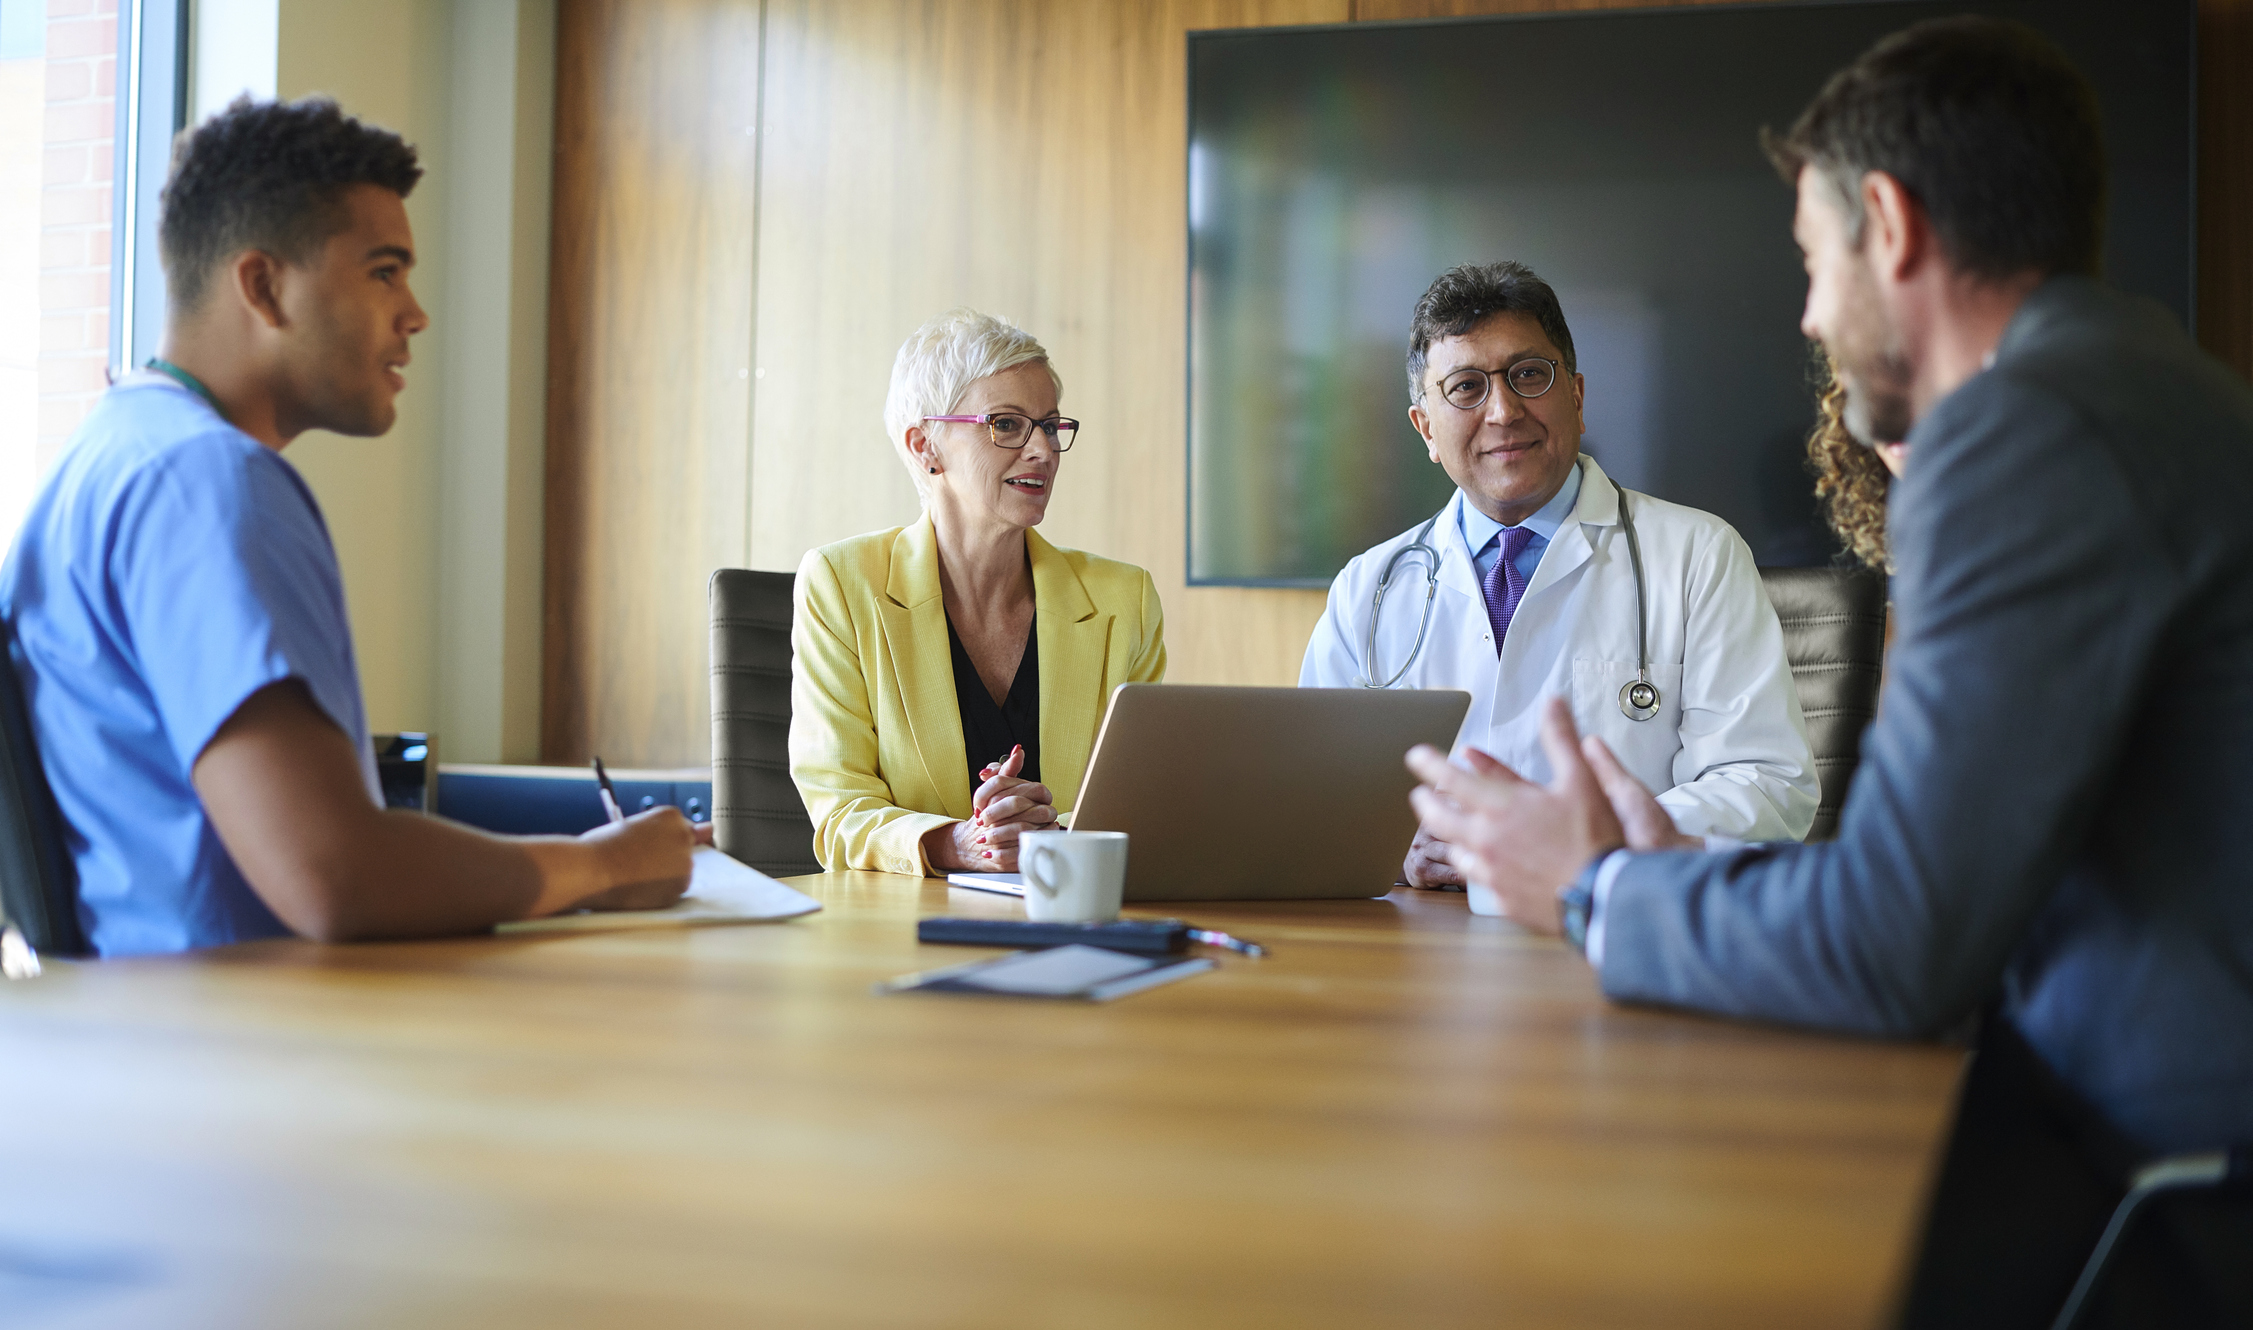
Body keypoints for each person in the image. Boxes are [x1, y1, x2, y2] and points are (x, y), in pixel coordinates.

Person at [1404, 18, 2253, 1323]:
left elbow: (1892, 944)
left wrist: (1596, 887)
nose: (1808, 312)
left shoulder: (2025, 436)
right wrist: (1678, 875)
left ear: (1891, 228)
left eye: (1811, 261)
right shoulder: (2145, 389)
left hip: (2162, 1176)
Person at [0, 98, 699, 957]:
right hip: (235, 1054)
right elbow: (332, 874)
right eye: (384, 271)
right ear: (262, 285)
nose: (416, 313)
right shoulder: (207, 480)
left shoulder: (106, 456)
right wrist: (605, 868)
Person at [1303, 262, 1819, 889]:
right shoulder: (1370, 588)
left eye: (1528, 375)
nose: (1502, 411)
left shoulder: (1699, 554)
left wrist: (1591, 845)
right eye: (1466, 386)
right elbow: (1321, 801)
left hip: (1620, 921)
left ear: (1575, 395)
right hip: (1422, 942)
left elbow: (1767, 785)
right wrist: (1390, 844)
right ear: (1426, 429)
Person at [790, 309, 1165, 876]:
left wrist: (1050, 837)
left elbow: (1149, 803)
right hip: (904, 934)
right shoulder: (841, 585)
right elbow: (838, 811)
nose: (1042, 450)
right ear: (925, 448)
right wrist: (958, 845)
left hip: (1075, 923)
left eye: (1050, 425)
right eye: (1007, 425)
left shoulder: (1124, 600)